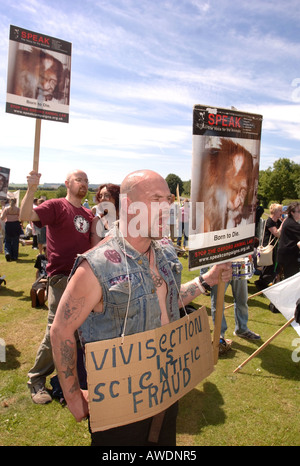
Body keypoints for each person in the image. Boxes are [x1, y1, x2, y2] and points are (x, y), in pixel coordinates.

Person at [50, 169, 232, 447]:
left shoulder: (165, 253)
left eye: (168, 200)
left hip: (167, 392)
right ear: (128, 205)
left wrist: (206, 281)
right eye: (156, 199)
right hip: (119, 411)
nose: (167, 208)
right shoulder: (97, 266)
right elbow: (61, 329)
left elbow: (169, 301)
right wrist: (74, 396)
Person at [20, 169, 94, 404]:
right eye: (78, 179)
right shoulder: (56, 206)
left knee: (77, 331)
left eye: (86, 180)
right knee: (57, 328)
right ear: (67, 183)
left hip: (83, 279)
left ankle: (68, 380)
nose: (83, 183)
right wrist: (31, 188)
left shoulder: (87, 213)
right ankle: (36, 379)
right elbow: (25, 215)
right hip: (61, 277)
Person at [210, 278, 261, 355]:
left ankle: (242, 329)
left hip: (239, 268)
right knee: (218, 304)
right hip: (220, 269)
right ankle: (219, 336)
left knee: (242, 300)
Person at [255, 203, 283, 290]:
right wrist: (283, 223)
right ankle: (261, 283)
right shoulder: (269, 221)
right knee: (269, 266)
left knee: (274, 267)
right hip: (269, 248)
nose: (281, 212)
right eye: (280, 211)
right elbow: (277, 233)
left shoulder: (278, 222)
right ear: (274, 212)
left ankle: (264, 283)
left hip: (276, 248)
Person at [277, 202, 300, 279]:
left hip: (288, 256)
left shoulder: (290, 221)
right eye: (299, 211)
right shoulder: (291, 224)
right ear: (292, 212)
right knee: (292, 280)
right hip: (288, 257)